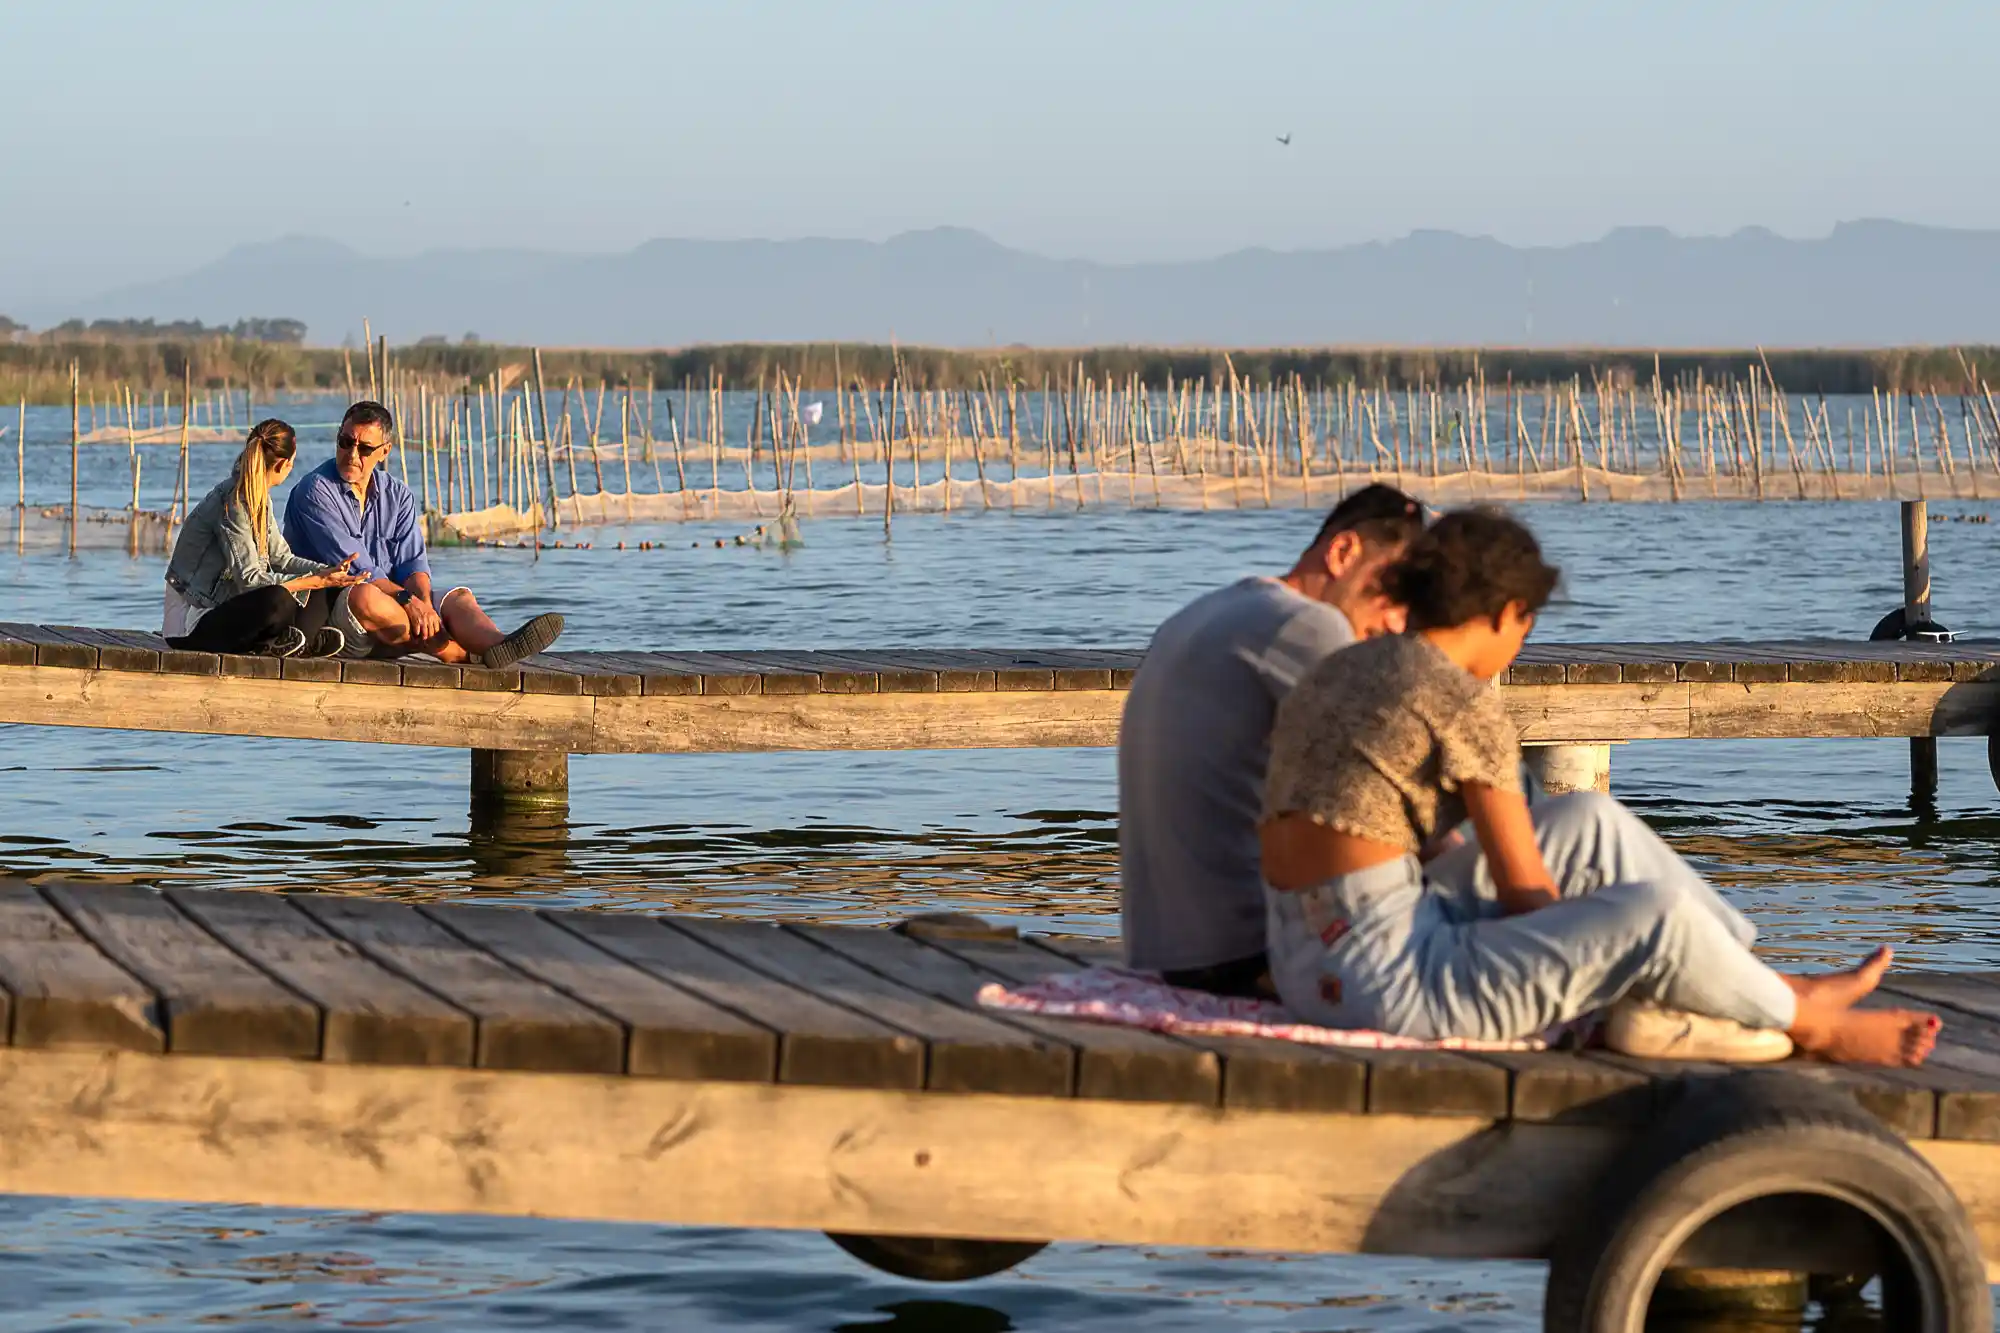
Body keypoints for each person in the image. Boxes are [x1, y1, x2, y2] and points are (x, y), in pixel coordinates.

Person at [1260, 507, 1939, 1067]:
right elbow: (1528, 897)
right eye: (1527, 627)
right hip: (1392, 984)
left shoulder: (1344, 667)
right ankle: (1815, 1028)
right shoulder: (1461, 703)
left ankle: (1765, 983)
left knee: (1587, 819)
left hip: (1303, 958)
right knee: (1655, 913)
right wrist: (1599, 943)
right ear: (1508, 613)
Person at [1118, 484, 1426, 997]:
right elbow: (1403, 782)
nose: (1397, 622)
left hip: (1161, 951)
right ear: (1344, 552)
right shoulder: (1310, 624)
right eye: (1392, 596)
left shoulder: (1202, 613)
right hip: (1244, 956)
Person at [282, 400, 563, 668]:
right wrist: (410, 603)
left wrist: (425, 605)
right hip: (334, 614)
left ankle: (499, 646)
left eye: (365, 448)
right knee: (365, 596)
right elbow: (358, 570)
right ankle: (457, 654)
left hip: (394, 605)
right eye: (346, 442)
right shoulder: (315, 491)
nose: (352, 455)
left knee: (459, 598)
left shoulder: (399, 495)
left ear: (385, 451)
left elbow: (412, 563)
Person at [163, 419, 369, 657]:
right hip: (192, 623)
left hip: (230, 610)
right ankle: (295, 640)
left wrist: (328, 573)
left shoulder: (260, 498)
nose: (292, 467)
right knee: (278, 598)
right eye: (292, 462)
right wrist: (311, 581)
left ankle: (297, 641)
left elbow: (280, 557)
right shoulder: (234, 503)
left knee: (327, 587)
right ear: (283, 464)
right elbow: (250, 580)